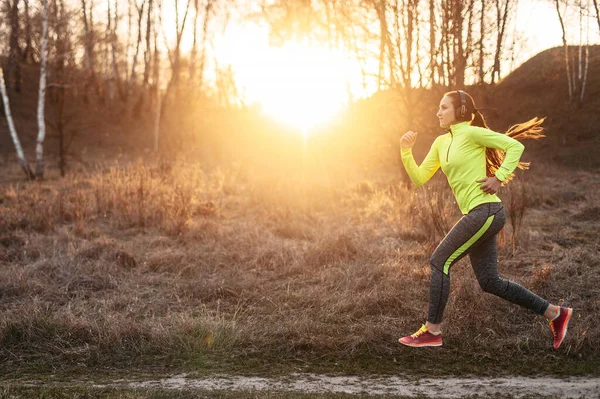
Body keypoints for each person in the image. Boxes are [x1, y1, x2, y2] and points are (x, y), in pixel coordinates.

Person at [397, 90, 572, 349]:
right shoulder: (440, 143)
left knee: (439, 261)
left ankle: (432, 330)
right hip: (477, 215)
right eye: (439, 107)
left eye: (444, 107)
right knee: (490, 282)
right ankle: (555, 314)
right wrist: (405, 151)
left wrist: (499, 177)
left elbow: (515, 146)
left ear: (462, 111)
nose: (438, 112)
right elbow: (419, 178)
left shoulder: (471, 132)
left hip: (487, 211)